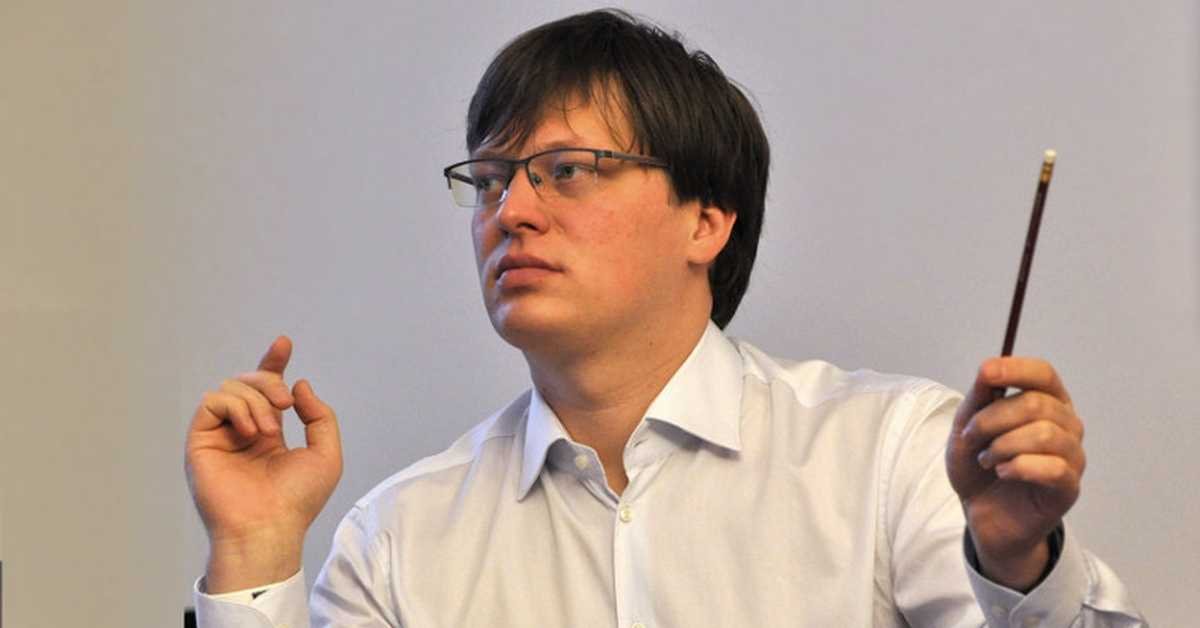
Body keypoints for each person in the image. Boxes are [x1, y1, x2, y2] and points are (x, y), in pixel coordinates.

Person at [186, 9, 1145, 627]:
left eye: (566, 170)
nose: (512, 212)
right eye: (489, 180)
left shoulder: (892, 456)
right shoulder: (400, 535)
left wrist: (1016, 564)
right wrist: (252, 553)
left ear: (706, 220)